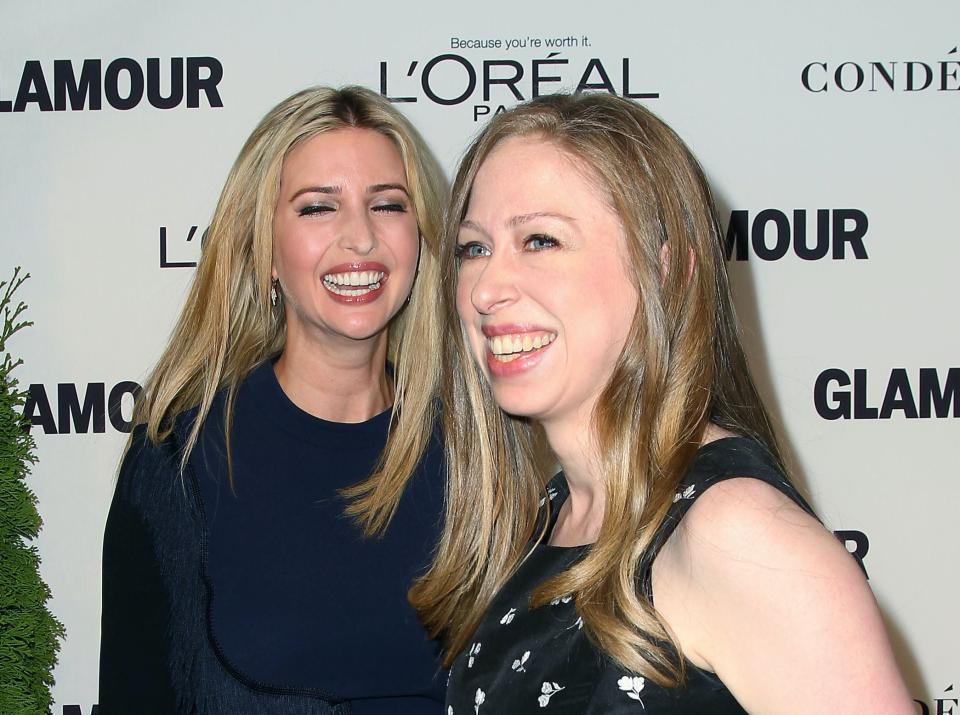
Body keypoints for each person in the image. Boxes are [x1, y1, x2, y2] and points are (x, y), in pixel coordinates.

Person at [412, 93, 914, 713]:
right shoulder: (558, 514)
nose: (486, 288)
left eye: (540, 241)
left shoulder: (735, 533)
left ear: (668, 271)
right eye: (473, 248)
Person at [99, 86, 448, 714]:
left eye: (387, 205)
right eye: (318, 208)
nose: (361, 239)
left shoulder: (477, 454)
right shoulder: (182, 458)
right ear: (264, 246)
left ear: (420, 236)